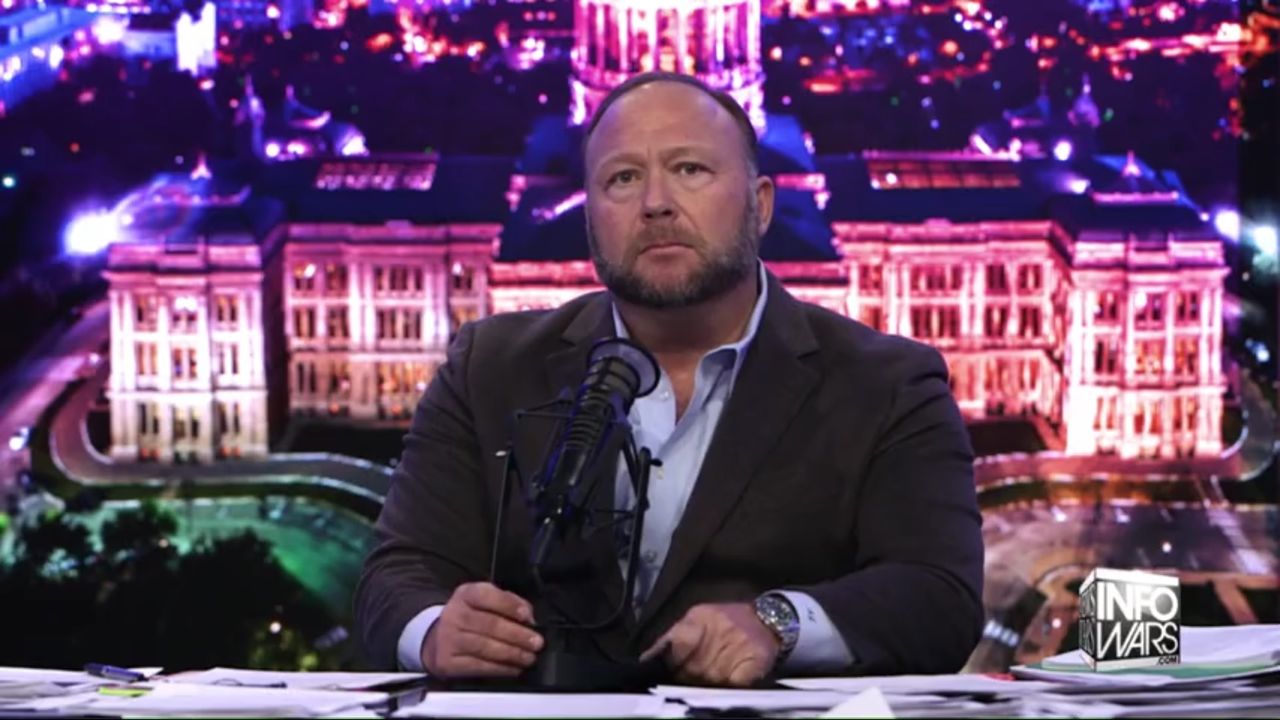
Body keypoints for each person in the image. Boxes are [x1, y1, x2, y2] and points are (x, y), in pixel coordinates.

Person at [355, 72, 984, 686]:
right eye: (623, 178)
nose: (655, 202)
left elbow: (939, 598)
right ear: (588, 219)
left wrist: (780, 624)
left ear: (761, 206)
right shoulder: (488, 366)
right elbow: (396, 575)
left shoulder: (888, 384)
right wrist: (434, 631)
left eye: (690, 169)